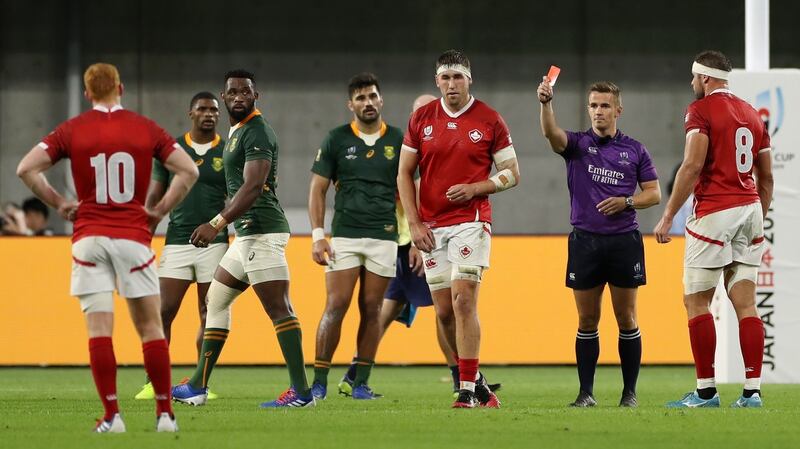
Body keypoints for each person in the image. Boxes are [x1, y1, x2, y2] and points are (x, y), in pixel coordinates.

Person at [16, 62, 198, 432]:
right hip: (133, 238)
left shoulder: (72, 130)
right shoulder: (144, 128)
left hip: (90, 239)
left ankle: (113, 416)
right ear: (121, 88)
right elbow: (188, 171)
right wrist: (158, 210)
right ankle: (165, 414)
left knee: (99, 330)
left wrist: (59, 203)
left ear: (87, 93)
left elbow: (26, 168)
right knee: (151, 329)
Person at [171, 69, 313, 408]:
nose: (239, 96)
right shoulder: (237, 132)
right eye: (232, 91)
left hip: (262, 231)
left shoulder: (257, 131)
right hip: (247, 237)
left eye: (245, 92)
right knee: (216, 302)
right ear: (224, 96)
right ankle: (198, 385)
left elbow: (252, 188)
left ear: (255, 96)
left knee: (280, 309)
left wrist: (215, 224)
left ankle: (302, 393)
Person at [399, 49, 520, 408]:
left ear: (470, 79)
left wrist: (477, 188)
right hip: (431, 227)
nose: (452, 84)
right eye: (445, 77)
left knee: (464, 300)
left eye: (458, 77)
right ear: (437, 81)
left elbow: (513, 172)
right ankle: (478, 380)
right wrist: (414, 224)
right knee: (443, 312)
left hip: (472, 220)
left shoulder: (489, 119)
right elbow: (405, 173)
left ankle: (465, 389)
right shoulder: (422, 118)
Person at [654, 50, 773, 408]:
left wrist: (668, 214)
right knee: (746, 305)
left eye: (694, 78)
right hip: (749, 209)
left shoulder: (700, 111)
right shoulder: (752, 113)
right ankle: (751, 392)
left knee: (696, 301)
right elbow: (765, 176)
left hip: (715, 212)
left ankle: (706, 391)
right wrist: (757, 216)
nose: (692, 84)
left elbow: (691, 165)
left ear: (704, 78)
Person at [537, 78, 661, 407]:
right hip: (585, 243)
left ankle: (629, 393)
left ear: (618, 110)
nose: (598, 111)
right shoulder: (577, 145)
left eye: (605, 105)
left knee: (627, 319)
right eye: (593, 106)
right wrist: (546, 104)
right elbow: (551, 135)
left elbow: (654, 194)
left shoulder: (635, 149)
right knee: (587, 321)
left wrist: (627, 202)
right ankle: (585, 393)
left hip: (623, 242)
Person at [335, 93, 463, 398]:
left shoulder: (429, 145)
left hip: (409, 242)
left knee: (388, 311)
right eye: (422, 111)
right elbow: (404, 196)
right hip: (412, 243)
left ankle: (354, 374)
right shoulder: (409, 149)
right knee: (442, 310)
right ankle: (463, 379)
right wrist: (415, 238)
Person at [308, 73, 403, 400]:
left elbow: (408, 193)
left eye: (372, 96)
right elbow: (317, 190)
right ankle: (318, 382)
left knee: (373, 309)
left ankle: (360, 383)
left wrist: (415, 233)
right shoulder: (336, 139)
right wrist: (318, 235)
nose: (368, 103)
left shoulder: (398, 140)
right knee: (336, 305)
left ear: (381, 100)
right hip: (345, 236)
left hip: (385, 236)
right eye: (360, 98)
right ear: (351, 105)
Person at [135, 92, 227, 401]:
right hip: (176, 241)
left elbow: (238, 200)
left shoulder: (227, 152)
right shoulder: (172, 150)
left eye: (214, 109)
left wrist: (220, 228)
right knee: (163, 311)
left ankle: (201, 382)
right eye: (202, 109)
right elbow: (155, 197)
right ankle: (154, 381)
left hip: (214, 244)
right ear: (191, 113)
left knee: (209, 313)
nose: (209, 114)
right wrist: (143, 235)